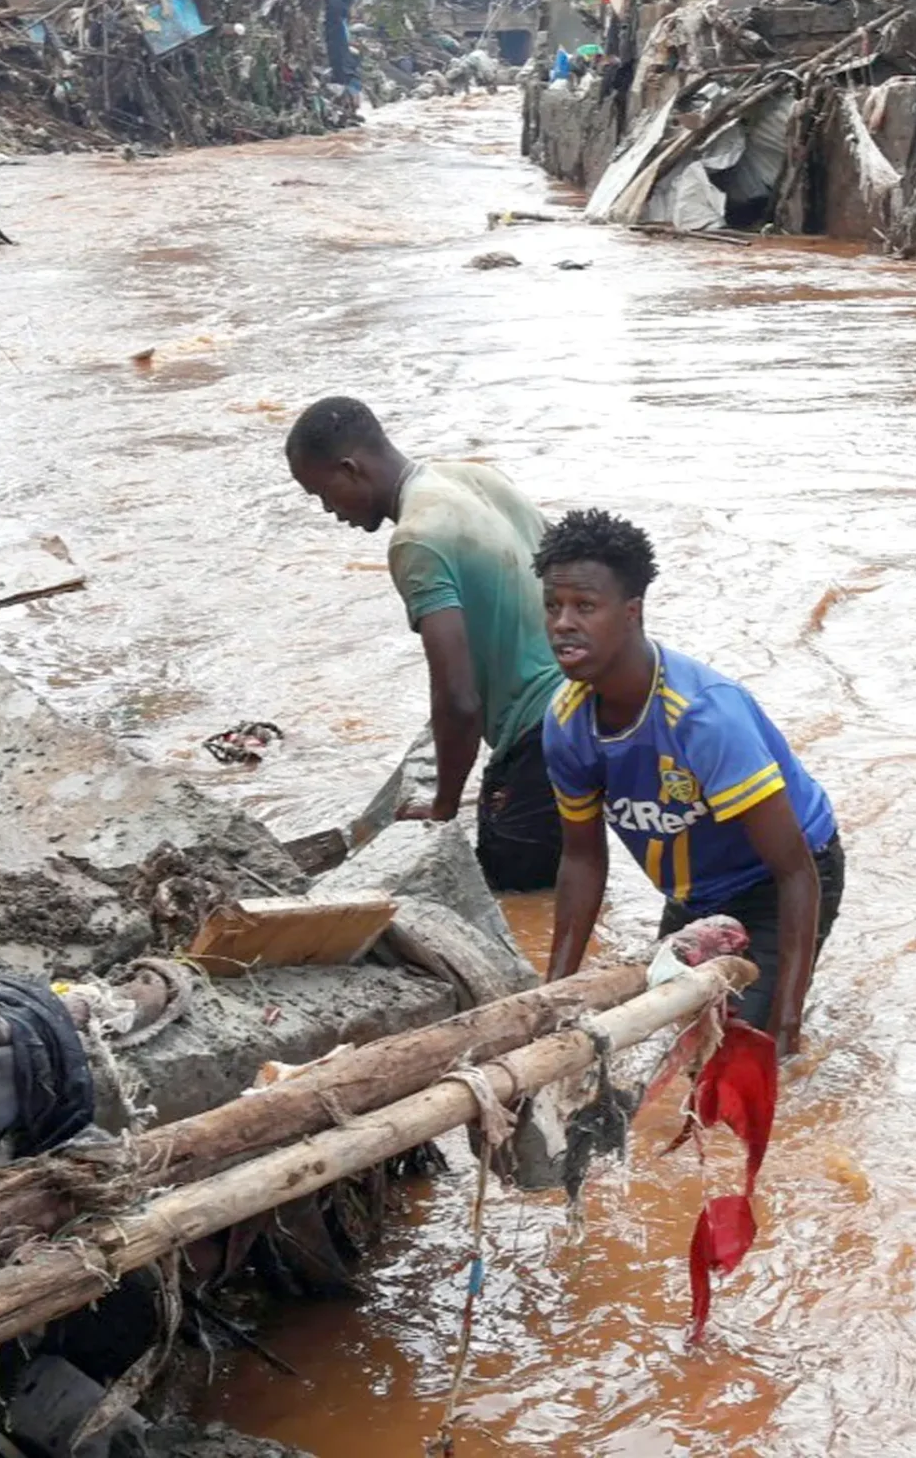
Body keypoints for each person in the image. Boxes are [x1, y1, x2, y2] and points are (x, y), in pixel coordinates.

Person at [536, 509, 845, 1056]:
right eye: (552, 606)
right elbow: (582, 859)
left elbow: (795, 871)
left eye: (584, 606)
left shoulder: (703, 717)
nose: (563, 623)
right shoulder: (567, 721)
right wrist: (552, 1001)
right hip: (695, 891)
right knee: (674, 1039)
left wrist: (785, 1025)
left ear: (631, 613)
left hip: (779, 880)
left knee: (743, 1051)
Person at [284, 398, 562, 889]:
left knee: (515, 895)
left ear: (350, 469)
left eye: (323, 493)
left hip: (537, 737)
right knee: (576, 867)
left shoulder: (416, 540)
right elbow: (575, 568)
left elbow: (458, 699)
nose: (328, 510)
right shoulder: (476, 479)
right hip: (590, 707)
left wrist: (443, 807)